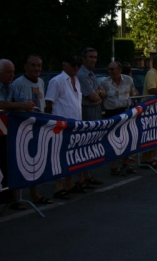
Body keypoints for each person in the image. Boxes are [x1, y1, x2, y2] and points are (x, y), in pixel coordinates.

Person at [12, 54, 53, 205]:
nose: (36, 69)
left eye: (39, 66)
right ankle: (16, 199)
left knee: (34, 162)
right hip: (21, 128)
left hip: (38, 126)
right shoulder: (18, 83)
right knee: (19, 162)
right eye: (33, 65)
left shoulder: (41, 82)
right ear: (26, 66)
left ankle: (35, 194)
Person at [44, 54, 85, 199]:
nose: (76, 67)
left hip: (74, 125)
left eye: (78, 65)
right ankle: (58, 186)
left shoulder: (76, 80)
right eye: (73, 64)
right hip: (60, 126)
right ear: (64, 65)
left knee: (70, 155)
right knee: (58, 156)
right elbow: (48, 104)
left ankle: (70, 183)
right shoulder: (57, 81)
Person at [0, 59, 36, 209]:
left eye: (13, 72)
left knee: (9, 163)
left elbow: (25, 101)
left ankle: (12, 199)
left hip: (7, 133)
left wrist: (26, 104)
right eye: (8, 72)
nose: (12, 75)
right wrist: (21, 105)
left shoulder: (12, 87)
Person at [100, 60, 138, 175]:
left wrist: (134, 98)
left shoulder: (128, 80)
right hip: (111, 112)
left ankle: (126, 164)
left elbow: (133, 93)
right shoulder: (104, 82)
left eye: (112, 69)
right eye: (109, 69)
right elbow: (102, 96)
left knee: (127, 138)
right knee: (112, 140)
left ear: (120, 70)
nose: (110, 71)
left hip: (125, 111)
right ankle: (113, 166)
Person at [76, 47, 105, 187]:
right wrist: (99, 95)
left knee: (90, 144)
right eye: (90, 57)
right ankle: (81, 177)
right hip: (87, 111)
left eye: (95, 57)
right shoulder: (81, 75)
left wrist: (98, 94)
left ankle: (87, 175)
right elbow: (94, 96)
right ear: (83, 59)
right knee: (85, 144)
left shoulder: (91, 74)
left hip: (94, 110)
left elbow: (101, 92)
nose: (93, 60)